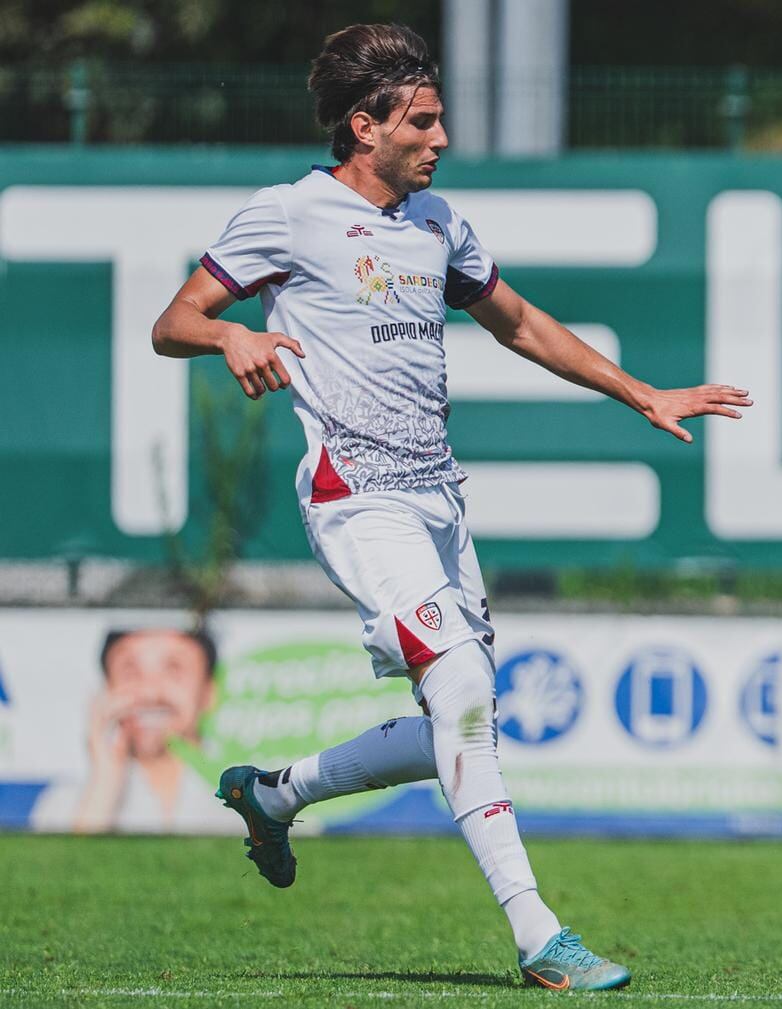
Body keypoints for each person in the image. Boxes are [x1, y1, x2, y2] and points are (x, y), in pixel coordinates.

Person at [150, 23, 750, 991]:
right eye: (420, 121)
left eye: (438, 118)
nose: (439, 137)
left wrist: (642, 392)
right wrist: (227, 340)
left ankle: (274, 792)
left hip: (438, 498)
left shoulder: (436, 222)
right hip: (357, 494)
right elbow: (173, 321)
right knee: (465, 689)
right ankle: (538, 936)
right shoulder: (290, 214)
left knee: (454, 715)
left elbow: (515, 319)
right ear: (363, 125)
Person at [44, 628, 228, 834]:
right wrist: (104, 786)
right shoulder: (67, 802)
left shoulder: (249, 799)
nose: (149, 693)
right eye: (130, 672)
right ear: (106, 690)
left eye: (173, 670)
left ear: (208, 692)